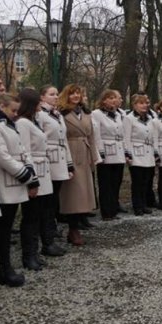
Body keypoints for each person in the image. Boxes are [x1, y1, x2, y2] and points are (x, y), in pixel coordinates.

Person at [0, 93, 38, 287]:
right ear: (1, 106)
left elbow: (23, 150)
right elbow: (2, 156)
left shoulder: (10, 124)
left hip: (16, 180)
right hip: (6, 181)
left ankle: (6, 267)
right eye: (13, 110)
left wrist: (30, 170)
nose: (16, 114)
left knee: (7, 227)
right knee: (3, 228)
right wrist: (24, 174)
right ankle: (4, 267)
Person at [17, 88, 55, 270]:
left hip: (44, 171)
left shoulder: (34, 121)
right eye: (38, 102)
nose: (42, 104)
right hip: (35, 173)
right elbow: (25, 152)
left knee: (40, 214)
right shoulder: (23, 123)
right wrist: (31, 179)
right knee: (30, 217)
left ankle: (36, 251)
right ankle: (28, 254)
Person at [57, 84, 99, 245]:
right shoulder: (62, 113)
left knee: (84, 192)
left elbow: (92, 136)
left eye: (78, 93)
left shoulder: (86, 113)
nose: (76, 96)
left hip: (84, 151)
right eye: (72, 93)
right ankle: (72, 228)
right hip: (71, 152)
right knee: (73, 193)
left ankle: (80, 222)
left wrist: (93, 156)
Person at [37, 85, 74, 252]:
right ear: (42, 97)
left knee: (54, 199)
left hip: (59, 158)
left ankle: (51, 230)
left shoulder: (56, 114)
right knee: (46, 201)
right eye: (51, 94)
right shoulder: (40, 115)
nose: (56, 97)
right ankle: (46, 234)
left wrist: (69, 163)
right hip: (48, 159)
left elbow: (63, 139)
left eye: (56, 94)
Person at [92, 90, 126, 221]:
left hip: (118, 151)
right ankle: (106, 212)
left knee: (116, 182)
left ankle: (113, 208)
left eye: (114, 98)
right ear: (104, 100)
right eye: (110, 98)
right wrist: (100, 152)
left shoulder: (118, 115)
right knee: (106, 184)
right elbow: (97, 134)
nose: (113, 100)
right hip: (106, 151)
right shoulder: (97, 114)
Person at [124, 93, 158, 216]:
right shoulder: (129, 118)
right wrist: (127, 153)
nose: (144, 106)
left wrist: (155, 151)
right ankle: (137, 206)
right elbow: (126, 137)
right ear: (134, 105)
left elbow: (154, 136)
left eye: (145, 103)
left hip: (148, 152)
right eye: (141, 103)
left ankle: (144, 204)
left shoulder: (150, 119)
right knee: (137, 181)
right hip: (136, 151)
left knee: (146, 180)